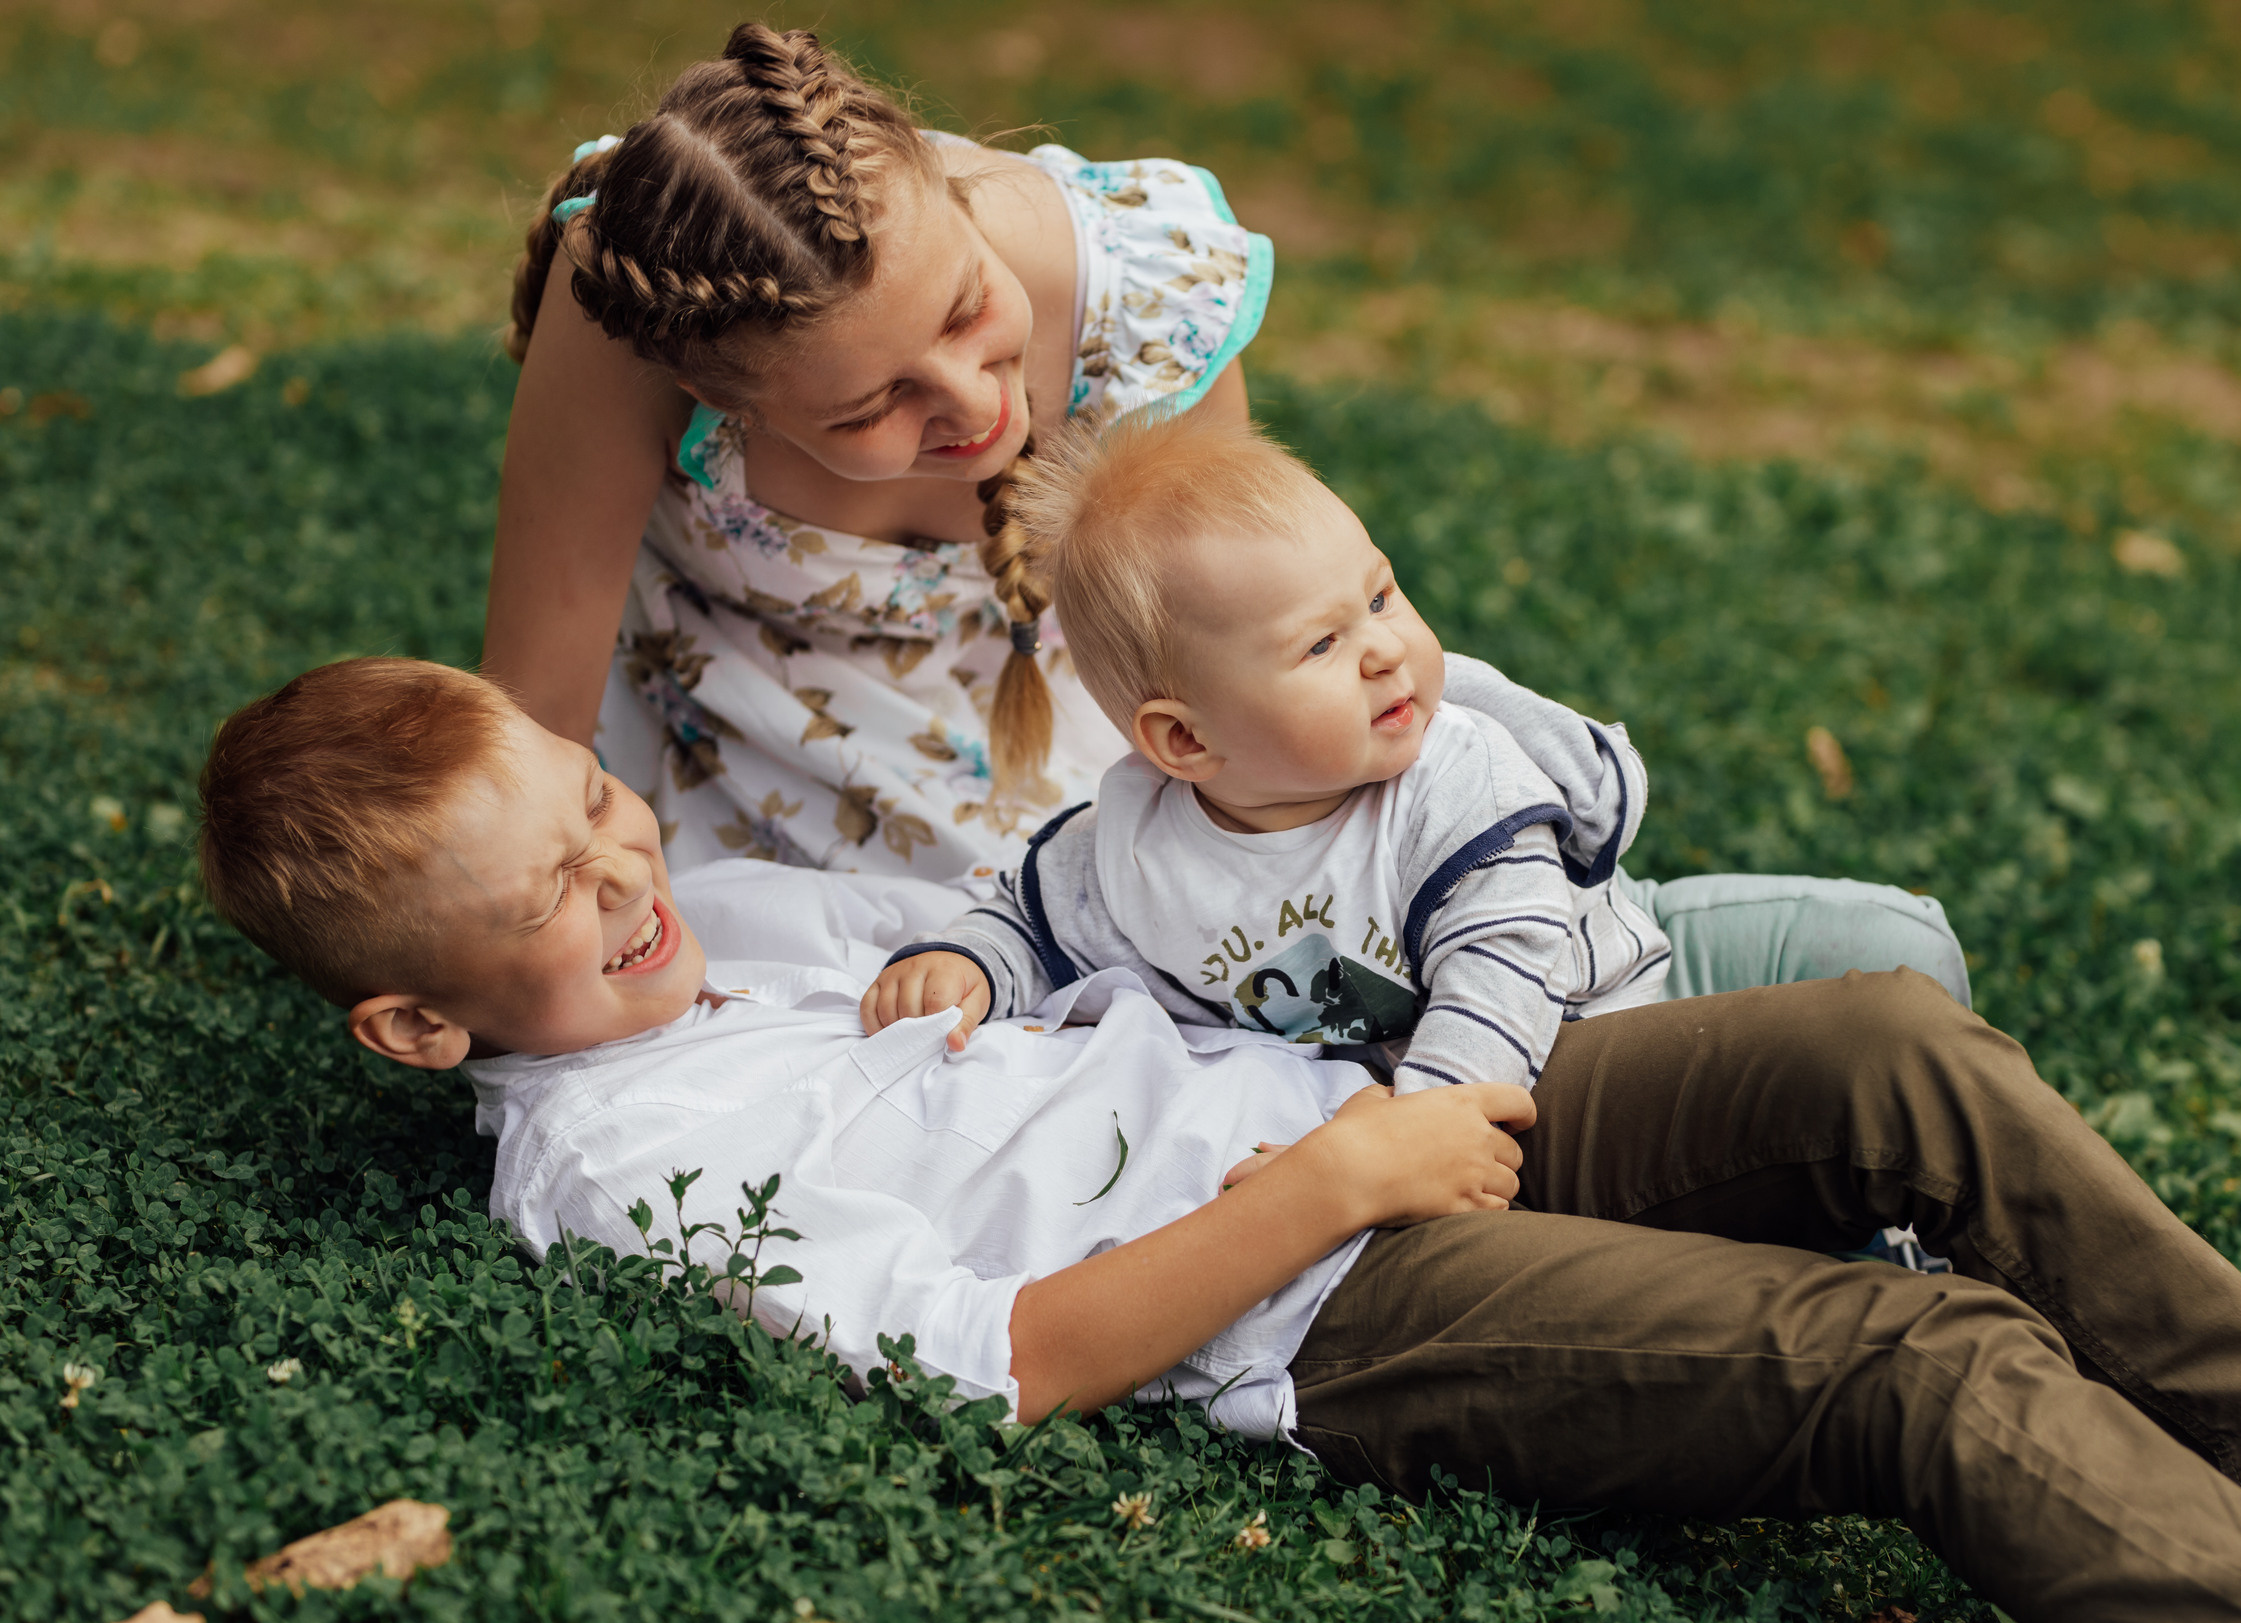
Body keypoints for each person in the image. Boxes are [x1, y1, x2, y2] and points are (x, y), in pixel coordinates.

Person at [197, 653, 2241, 1623]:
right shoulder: (607, 1164)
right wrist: (1338, 1173)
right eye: (546, 887)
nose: (624, 863)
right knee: (1905, 1348)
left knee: (1887, 1052)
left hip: (1377, 1107)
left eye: (593, 803)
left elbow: (987, 911)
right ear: (419, 1021)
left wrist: (969, 967)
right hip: (1309, 1299)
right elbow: (1007, 1358)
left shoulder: (720, 930)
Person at [481, 22, 1967, 1007]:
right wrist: (529, 942)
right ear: (726, 393)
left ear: (950, 188)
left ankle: (1576, 963)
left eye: (967, 310)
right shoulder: (638, 302)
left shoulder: (1136, 277)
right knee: (1010, 1007)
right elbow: (535, 705)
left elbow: (1246, 647)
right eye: (870, 410)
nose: (970, 403)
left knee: (1228, 897)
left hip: (1124, 705)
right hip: (764, 757)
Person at [860, 408, 1668, 1089]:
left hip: (1587, 1032)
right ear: (1185, 739)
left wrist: (1419, 1124)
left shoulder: (1460, 781)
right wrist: (967, 961)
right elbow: (1039, 920)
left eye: (1381, 597)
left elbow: (1501, 973)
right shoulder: (1145, 847)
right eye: (1320, 645)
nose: (1385, 650)